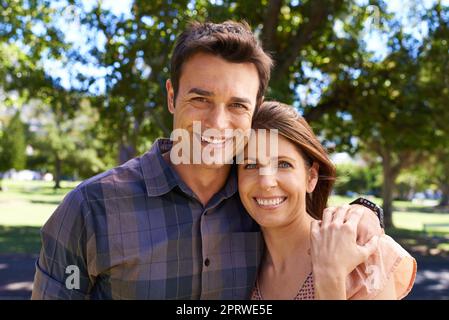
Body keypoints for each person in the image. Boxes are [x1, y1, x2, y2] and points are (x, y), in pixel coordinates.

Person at [31, 21, 383, 300]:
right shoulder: (91, 207)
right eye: (200, 99)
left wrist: (366, 209)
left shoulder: (258, 195)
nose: (217, 123)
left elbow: (308, 208)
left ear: (254, 111)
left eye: (237, 105)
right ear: (172, 96)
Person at [237, 101, 416, 300]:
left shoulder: (363, 254)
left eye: (283, 164)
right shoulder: (236, 266)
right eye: (251, 165)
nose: (266, 182)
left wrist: (330, 277)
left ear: (311, 177)